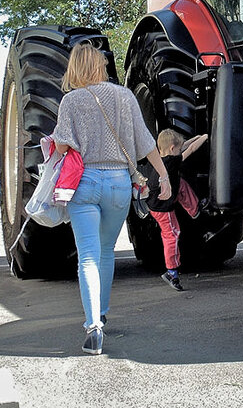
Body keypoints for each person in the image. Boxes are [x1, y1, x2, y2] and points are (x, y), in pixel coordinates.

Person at [51, 42, 169, 356]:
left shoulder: (71, 101)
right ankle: (102, 312)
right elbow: (144, 141)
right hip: (119, 184)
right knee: (105, 252)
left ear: (76, 67)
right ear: (101, 65)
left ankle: (93, 328)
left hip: (85, 182)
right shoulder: (125, 96)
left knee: (87, 255)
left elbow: (62, 147)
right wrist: (164, 175)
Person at [144, 129, 207, 292]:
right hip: (163, 209)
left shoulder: (161, 158)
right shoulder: (171, 163)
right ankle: (171, 272)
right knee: (172, 234)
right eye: (178, 150)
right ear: (172, 149)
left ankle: (194, 210)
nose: (180, 151)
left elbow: (185, 145)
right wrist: (206, 136)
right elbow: (191, 149)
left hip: (155, 202)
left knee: (180, 185)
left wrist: (196, 137)